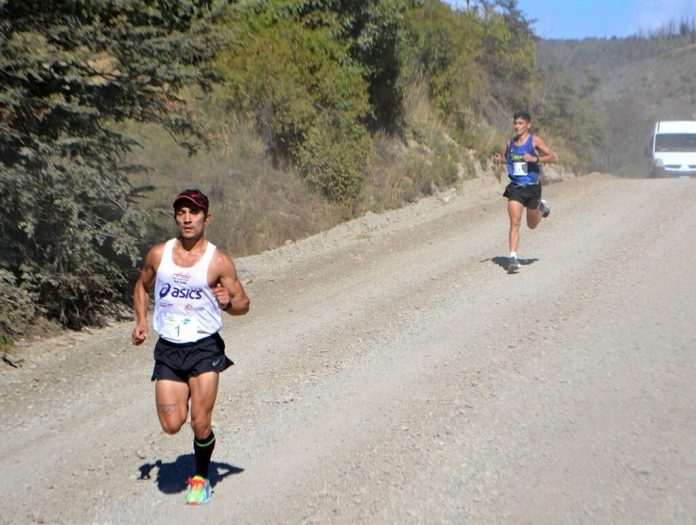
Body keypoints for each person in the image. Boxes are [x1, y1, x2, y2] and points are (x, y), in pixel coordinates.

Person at [132, 188, 250, 505]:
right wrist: (141, 320)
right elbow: (142, 286)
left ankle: (200, 476)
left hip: (204, 348)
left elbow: (243, 304)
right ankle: (188, 417)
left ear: (206, 218)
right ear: (176, 217)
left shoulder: (219, 261)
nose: (187, 218)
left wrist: (228, 304)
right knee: (172, 424)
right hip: (169, 347)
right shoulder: (159, 254)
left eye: (193, 212)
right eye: (181, 212)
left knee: (200, 421)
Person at [493, 111, 558, 271]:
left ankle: (542, 208)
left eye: (520, 123)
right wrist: (499, 160)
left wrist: (535, 159)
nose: (517, 126)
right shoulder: (510, 143)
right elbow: (509, 159)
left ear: (528, 125)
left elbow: (553, 157)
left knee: (532, 224)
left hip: (532, 188)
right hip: (515, 187)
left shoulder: (534, 141)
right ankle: (513, 258)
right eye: (515, 123)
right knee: (515, 222)